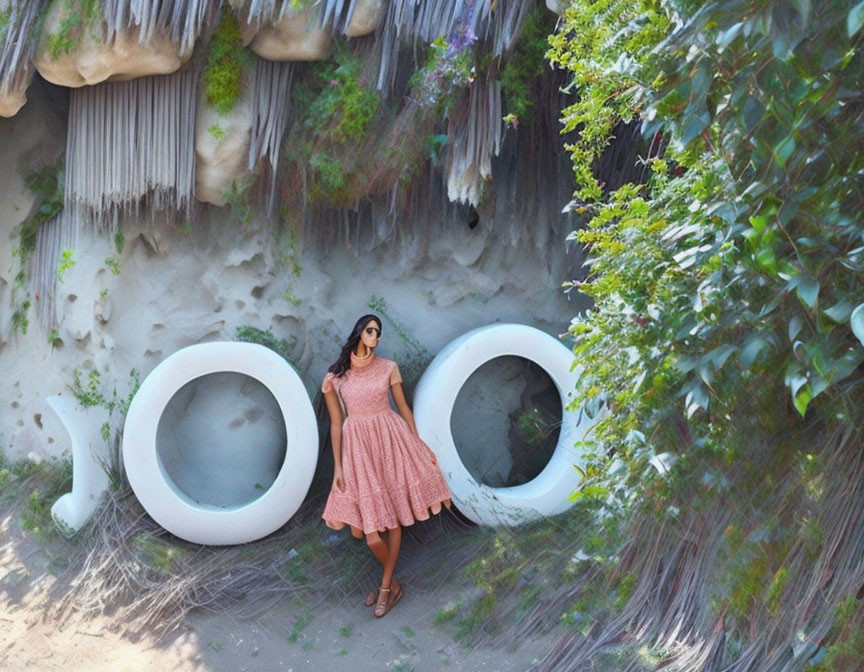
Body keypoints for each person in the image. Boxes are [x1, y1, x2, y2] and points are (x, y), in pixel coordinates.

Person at [321, 314, 452, 618]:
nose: (375, 337)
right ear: (358, 333)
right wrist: (338, 468)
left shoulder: (389, 368)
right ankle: (392, 584)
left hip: (389, 441)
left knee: (390, 520)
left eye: (378, 333)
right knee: (364, 533)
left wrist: (416, 441)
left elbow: (402, 406)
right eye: (370, 331)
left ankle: (385, 588)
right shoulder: (335, 377)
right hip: (358, 449)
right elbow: (337, 426)